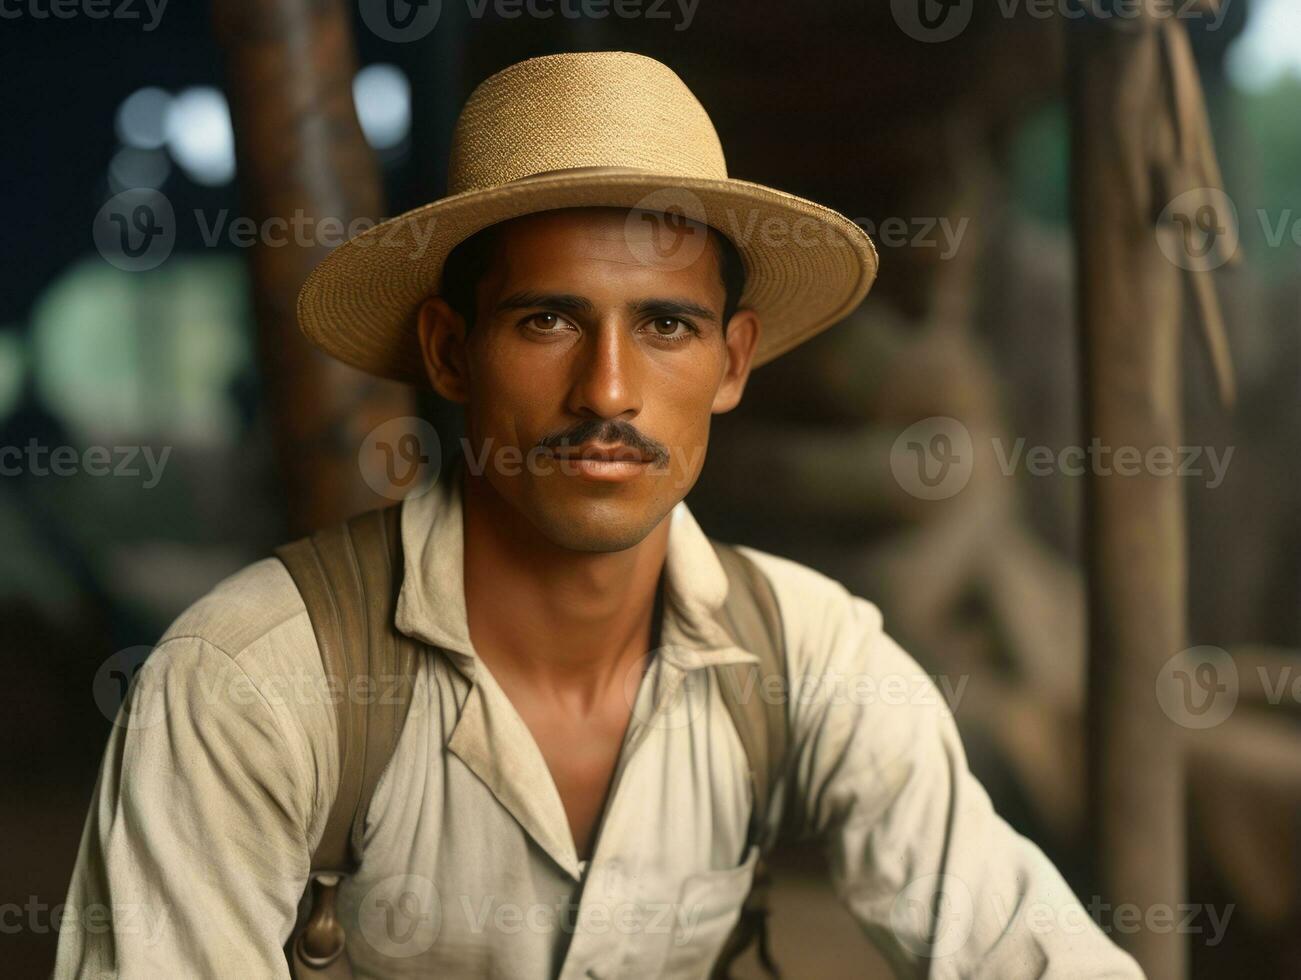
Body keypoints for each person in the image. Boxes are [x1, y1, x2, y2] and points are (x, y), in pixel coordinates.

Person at [54, 52, 1142, 979]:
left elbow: (1024, 944)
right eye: (546, 320)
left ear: (732, 360)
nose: (608, 390)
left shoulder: (805, 655)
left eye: (666, 323)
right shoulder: (248, 682)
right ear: (447, 351)